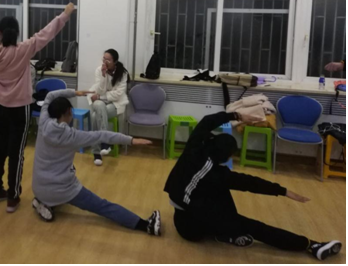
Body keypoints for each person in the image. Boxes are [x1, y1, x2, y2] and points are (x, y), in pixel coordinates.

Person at [164, 111, 343, 261]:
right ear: (225, 157)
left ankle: (224, 233)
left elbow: (207, 121)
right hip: (193, 231)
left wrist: (236, 115)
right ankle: (311, 245)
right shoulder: (219, 175)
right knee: (252, 226)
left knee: (220, 198)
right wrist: (283, 191)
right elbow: (252, 183)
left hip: (181, 219)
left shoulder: (194, 147)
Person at [0, 0, 74, 213]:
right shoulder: (24, 49)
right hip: (19, 109)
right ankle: (12, 198)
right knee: (16, 153)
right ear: (17, 33)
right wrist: (65, 14)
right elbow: (47, 33)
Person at [31, 88, 161, 235]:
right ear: (68, 112)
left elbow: (49, 95)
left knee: (69, 169)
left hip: (38, 186)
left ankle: (44, 202)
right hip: (62, 189)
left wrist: (74, 92)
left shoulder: (44, 120)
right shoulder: (72, 136)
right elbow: (102, 135)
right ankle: (147, 225)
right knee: (102, 206)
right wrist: (131, 140)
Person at [88, 49, 130, 166]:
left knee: (95, 116)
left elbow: (118, 94)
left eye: (108, 60)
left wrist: (100, 97)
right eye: (104, 58)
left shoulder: (123, 73)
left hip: (116, 103)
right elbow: (99, 90)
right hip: (100, 101)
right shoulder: (99, 70)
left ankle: (97, 152)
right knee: (99, 106)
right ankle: (105, 143)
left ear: (115, 61)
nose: (105, 61)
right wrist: (103, 75)